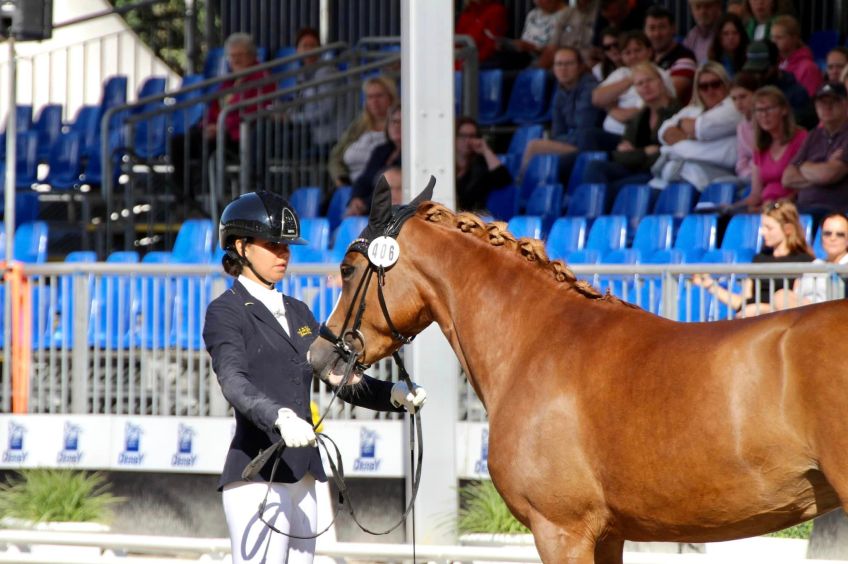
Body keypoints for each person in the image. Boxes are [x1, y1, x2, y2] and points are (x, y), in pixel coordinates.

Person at [203, 191, 427, 564]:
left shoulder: (299, 311)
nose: (283, 253)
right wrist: (278, 416)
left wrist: (393, 395)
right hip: (257, 473)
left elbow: (336, 374)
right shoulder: (225, 312)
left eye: (286, 246)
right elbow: (233, 382)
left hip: (305, 473)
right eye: (272, 245)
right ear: (241, 247)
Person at [171, 33, 275, 213]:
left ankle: (209, 201)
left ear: (252, 56)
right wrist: (207, 126)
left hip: (239, 136)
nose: (236, 60)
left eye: (240, 55)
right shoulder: (229, 81)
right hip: (218, 131)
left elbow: (254, 110)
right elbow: (213, 109)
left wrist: (222, 127)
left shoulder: (262, 78)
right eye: (232, 56)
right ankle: (184, 199)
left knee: (207, 146)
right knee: (179, 143)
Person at [692, 199, 815, 317]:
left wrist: (761, 309)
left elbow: (796, 308)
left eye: (769, 228)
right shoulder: (759, 258)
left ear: (788, 229)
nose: (762, 232)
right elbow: (742, 302)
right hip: (750, 318)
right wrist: (710, 285)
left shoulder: (804, 262)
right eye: (762, 227)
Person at [583, 62, 681, 202]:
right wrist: (644, 152)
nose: (645, 86)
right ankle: (591, 210)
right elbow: (620, 155)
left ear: (660, 81)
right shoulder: (640, 115)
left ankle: (598, 210)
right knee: (595, 167)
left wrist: (634, 154)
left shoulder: (676, 112)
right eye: (639, 84)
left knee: (612, 191)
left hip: (656, 172)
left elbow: (663, 156)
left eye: (649, 80)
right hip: (635, 167)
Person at [653, 61, 742, 191]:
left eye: (715, 84)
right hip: (675, 174)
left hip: (716, 176)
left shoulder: (734, 107)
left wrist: (681, 130)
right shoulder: (693, 110)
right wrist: (692, 136)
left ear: (726, 85)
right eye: (704, 87)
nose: (710, 90)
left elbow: (702, 128)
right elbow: (663, 132)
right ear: (698, 90)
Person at [519, 47, 603, 181]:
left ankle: (520, 185)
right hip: (571, 142)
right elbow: (557, 132)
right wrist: (558, 141)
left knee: (534, 146)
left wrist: (558, 141)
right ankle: (525, 186)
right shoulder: (559, 92)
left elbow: (584, 130)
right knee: (537, 152)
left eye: (569, 64)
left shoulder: (590, 88)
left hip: (590, 147)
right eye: (559, 64)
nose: (563, 69)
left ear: (580, 67)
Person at [589, 30, 675, 149]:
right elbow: (596, 99)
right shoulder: (621, 73)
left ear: (649, 51)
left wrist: (611, 109)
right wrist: (630, 80)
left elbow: (640, 114)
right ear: (622, 56)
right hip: (611, 134)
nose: (633, 56)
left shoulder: (658, 76)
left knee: (589, 136)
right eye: (627, 53)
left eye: (637, 50)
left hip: (634, 139)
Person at [782, 83, 848, 225]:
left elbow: (829, 175)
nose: (827, 107)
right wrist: (821, 169)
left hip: (834, 211)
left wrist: (802, 166)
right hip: (803, 207)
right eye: (821, 102)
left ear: (845, 104)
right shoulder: (813, 135)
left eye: (833, 101)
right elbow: (787, 178)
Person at [735, 86, 807, 211]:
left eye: (769, 109)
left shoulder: (801, 138)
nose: (764, 115)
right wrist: (731, 208)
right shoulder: (760, 147)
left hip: (792, 208)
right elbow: (756, 194)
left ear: (784, 110)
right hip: (765, 207)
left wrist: (776, 206)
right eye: (759, 110)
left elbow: (805, 186)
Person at [282, 27, 348, 158]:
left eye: (312, 45)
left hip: (327, 134)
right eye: (304, 46)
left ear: (320, 49)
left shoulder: (327, 73)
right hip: (309, 129)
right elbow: (299, 103)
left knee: (280, 142)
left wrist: (292, 119)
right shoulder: (302, 74)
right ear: (297, 50)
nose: (309, 50)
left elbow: (325, 112)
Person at [327, 76, 397, 188]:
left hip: (381, 188)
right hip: (350, 186)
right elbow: (336, 156)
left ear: (391, 97)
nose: (374, 101)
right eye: (370, 97)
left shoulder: (398, 126)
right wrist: (341, 180)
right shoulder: (359, 125)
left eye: (379, 96)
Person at [773, 212, 848, 308]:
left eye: (840, 234)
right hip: (805, 313)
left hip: (832, 314)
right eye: (827, 233)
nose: (833, 238)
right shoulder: (814, 265)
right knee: (781, 296)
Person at [741, 40, 816, 129]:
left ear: (777, 63)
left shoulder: (796, 93)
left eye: (763, 71)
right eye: (752, 71)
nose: (757, 76)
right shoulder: (747, 90)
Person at [347, 104, 402, 215]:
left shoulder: (413, 155)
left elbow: (391, 191)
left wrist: (365, 205)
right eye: (393, 122)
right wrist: (356, 198)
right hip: (371, 208)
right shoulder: (381, 150)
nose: (397, 126)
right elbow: (363, 180)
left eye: (401, 122)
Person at [455, 117, 513, 212]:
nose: (468, 141)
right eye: (463, 136)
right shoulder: (445, 164)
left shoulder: (481, 164)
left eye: (472, 136)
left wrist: (485, 150)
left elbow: (502, 180)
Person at [644, 5, 697, 105]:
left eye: (662, 27)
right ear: (645, 31)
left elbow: (668, 97)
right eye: (652, 28)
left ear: (673, 29)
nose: (657, 34)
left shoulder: (685, 58)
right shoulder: (644, 56)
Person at [497, 0, 567, 70]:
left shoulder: (567, 17)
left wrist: (534, 48)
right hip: (524, 58)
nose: (538, 2)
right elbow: (525, 40)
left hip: (545, 64)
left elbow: (559, 51)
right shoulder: (533, 14)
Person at [770, 15, 822, 98]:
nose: (774, 42)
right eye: (772, 37)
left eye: (779, 37)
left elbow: (810, 99)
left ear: (794, 38)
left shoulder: (808, 68)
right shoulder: (775, 64)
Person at [538, 0, 598, 69]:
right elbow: (552, 46)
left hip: (588, 63)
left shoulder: (599, 12)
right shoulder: (567, 13)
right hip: (564, 60)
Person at [455, 0, 509, 68]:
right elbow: (456, 44)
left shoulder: (496, 11)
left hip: (476, 67)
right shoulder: (467, 13)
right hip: (458, 64)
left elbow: (489, 49)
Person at [730, 71, 761, 184]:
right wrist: (748, 174)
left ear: (756, 94)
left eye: (743, 96)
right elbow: (741, 163)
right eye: (734, 99)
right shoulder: (741, 127)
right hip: (749, 177)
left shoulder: (767, 122)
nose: (738, 103)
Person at [683, 0, 722, 65]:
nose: (702, 12)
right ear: (692, 11)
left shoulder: (726, 33)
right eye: (698, 7)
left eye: (707, 6)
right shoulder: (692, 36)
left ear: (718, 7)